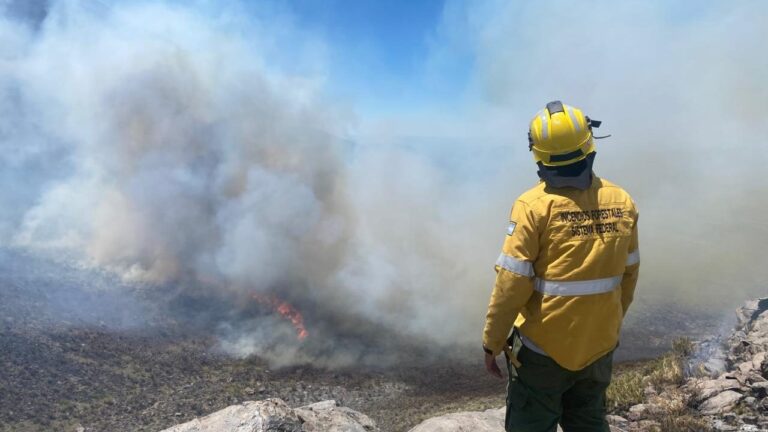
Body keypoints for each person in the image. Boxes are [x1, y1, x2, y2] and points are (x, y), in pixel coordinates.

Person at [482, 101, 640, 432]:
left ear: (539, 156)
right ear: (589, 146)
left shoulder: (532, 207)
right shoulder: (622, 201)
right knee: (588, 421)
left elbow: (511, 284)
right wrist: (605, 327)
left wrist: (492, 343)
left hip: (543, 353)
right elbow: (628, 277)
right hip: (599, 346)